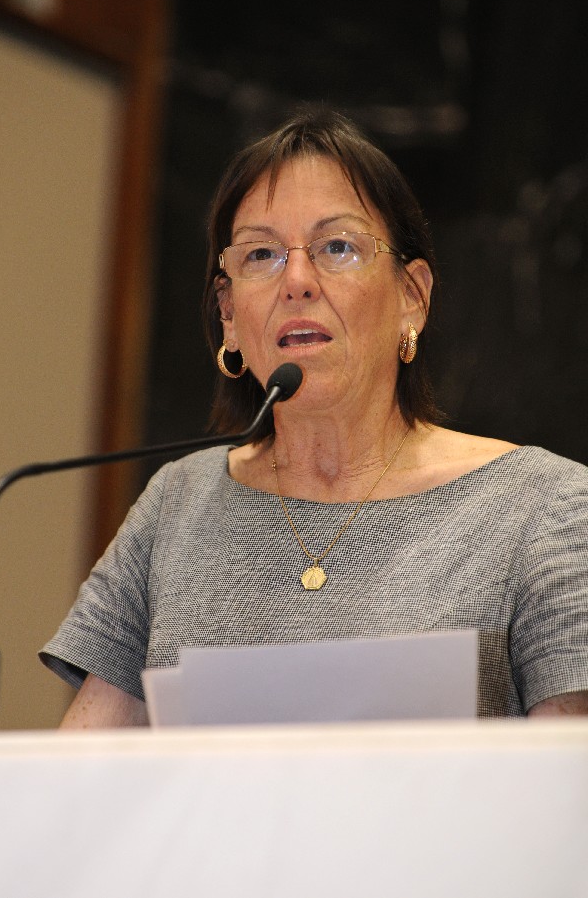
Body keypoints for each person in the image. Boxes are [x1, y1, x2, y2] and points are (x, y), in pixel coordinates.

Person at [41, 108, 588, 727]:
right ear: (228, 315)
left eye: (337, 247)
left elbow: (567, 777)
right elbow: (83, 769)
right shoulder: (176, 508)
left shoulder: (545, 509)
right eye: (261, 254)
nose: (297, 281)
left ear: (412, 296)